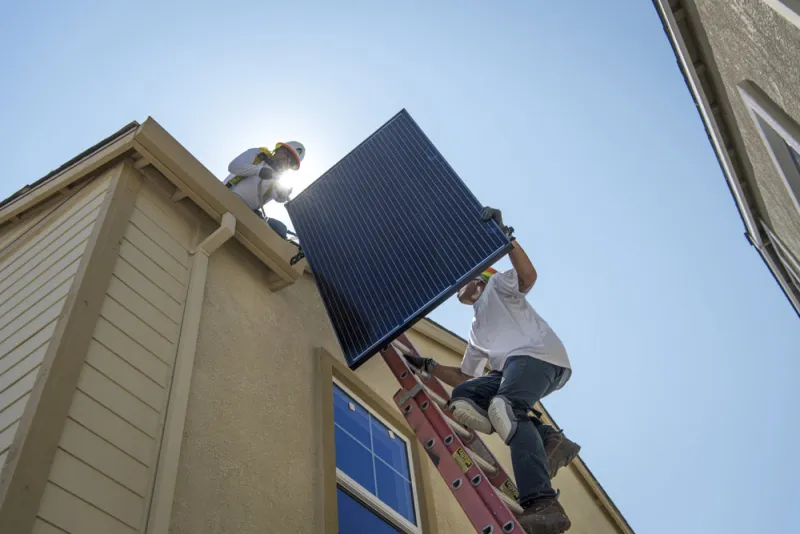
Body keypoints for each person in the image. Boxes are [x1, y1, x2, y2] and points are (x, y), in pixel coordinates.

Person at [404, 207, 579, 534]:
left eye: (465, 279)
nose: (458, 286)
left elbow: (528, 277)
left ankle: (543, 503)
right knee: (465, 397)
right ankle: (549, 439)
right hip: (511, 368)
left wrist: (505, 239)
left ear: (479, 278)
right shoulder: (476, 328)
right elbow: (465, 375)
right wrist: (428, 366)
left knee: (505, 408)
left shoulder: (498, 284)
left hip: (539, 356)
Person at [224, 141, 306, 238]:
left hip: (245, 215)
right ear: (279, 149)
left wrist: (283, 195)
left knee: (280, 229)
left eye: (292, 162)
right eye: (288, 155)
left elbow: (278, 197)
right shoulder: (258, 155)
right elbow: (233, 166)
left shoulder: (278, 178)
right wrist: (258, 170)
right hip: (225, 196)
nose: (287, 161)